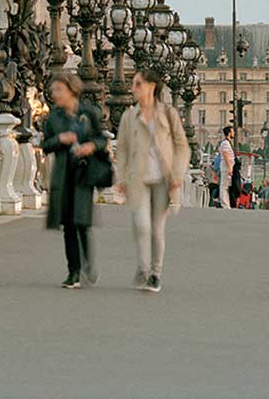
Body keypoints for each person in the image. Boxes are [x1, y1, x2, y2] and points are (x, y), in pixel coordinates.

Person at [114, 66, 188, 293]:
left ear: (151, 87)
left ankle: (155, 273)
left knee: (156, 228)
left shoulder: (168, 113)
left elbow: (182, 146)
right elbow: (123, 149)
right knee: (142, 225)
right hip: (138, 178)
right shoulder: (129, 116)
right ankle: (143, 268)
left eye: (138, 84)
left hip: (164, 179)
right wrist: (122, 177)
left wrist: (178, 174)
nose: (133, 88)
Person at [41, 70, 106, 289]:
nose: (55, 94)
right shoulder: (53, 118)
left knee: (81, 222)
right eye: (53, 90)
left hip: (84, 174)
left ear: (71, 90)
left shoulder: (89, 113)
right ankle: (73, 272)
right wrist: (59, 139)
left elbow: (101, 140)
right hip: (63, 174)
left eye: (58, 89)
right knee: (68, 224)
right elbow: (45, 145)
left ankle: (88, 262)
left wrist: (91, 146)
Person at [216, 126, 237, 209]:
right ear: (229, 133)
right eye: (232, 131)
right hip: (226, 167)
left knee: (226, 186)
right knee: (224, 186)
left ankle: (226, 203)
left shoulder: (227, 143)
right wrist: (229, 167)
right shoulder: (225, 143)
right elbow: (226, 155)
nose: (234, 133)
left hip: (227, 166)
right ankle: (224, 204)